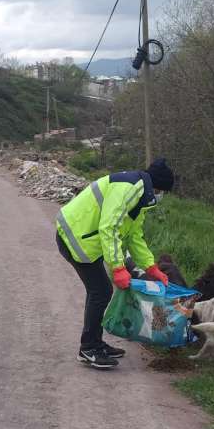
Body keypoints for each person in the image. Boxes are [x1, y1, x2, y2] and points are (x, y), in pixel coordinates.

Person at [56, 158, 175, 369]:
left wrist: (151, 267)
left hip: (87, 236)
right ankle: (89, 349)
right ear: (157, 186)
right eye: (161, 191)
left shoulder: (141, 195)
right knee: (100, 291)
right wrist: (118, 268)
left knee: (100, 290)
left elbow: (133, 236)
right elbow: (109, 227)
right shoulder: (129, 189)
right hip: (75, 235)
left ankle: (95, 343)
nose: (160, 195)